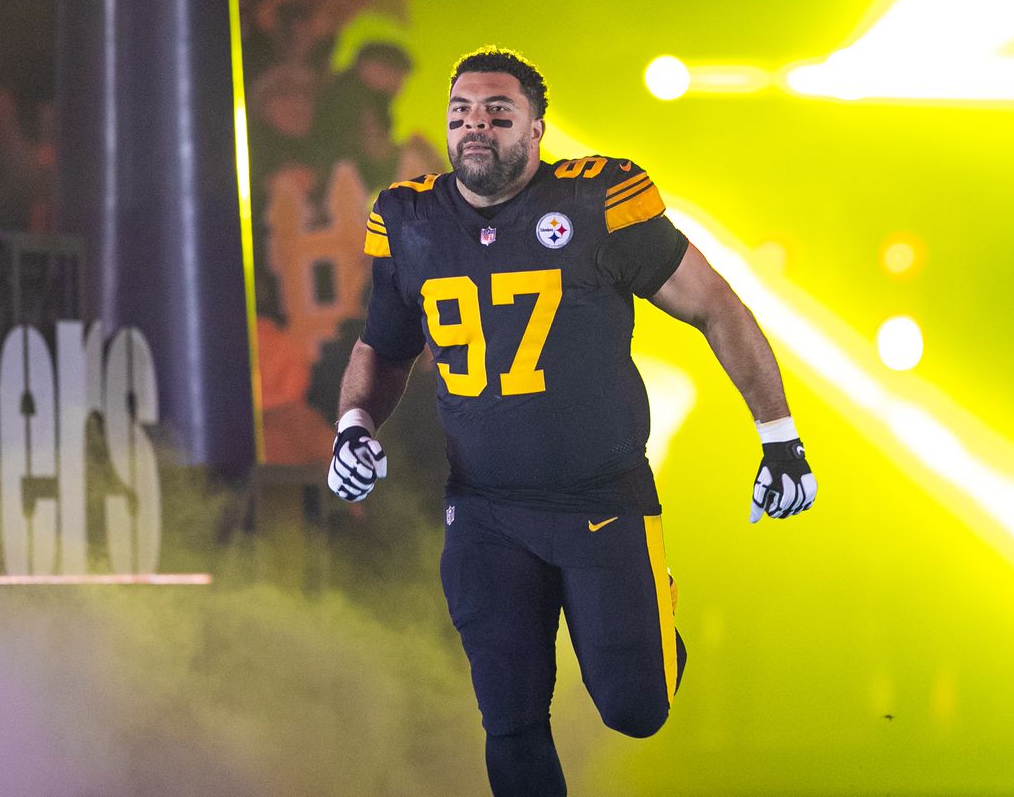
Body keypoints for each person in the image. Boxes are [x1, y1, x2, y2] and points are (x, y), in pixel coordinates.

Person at [326, 46, 817, 796]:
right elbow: (384, 347)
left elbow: (714, 303)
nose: (474, 127)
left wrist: (779, 436)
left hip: (600, 498)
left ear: (538, 128)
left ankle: (653, 605)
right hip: (484, 505)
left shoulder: (596, 202)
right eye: (460, 113)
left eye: (497, 112)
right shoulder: (411, 217)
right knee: (511, 719)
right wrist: (354, 423)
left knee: (636, 708)